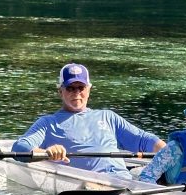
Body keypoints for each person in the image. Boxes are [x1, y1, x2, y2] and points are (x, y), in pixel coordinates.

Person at [11, 63, 165, 175]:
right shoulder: (48, 123)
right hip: (90, 186)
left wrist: (172, 151)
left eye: (81, 88)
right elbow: (19, 148)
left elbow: (144, 140)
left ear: (89, 90)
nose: (76, 93)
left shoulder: (108, 117)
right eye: (70, 88)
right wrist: (46, 152)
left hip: (124, 180)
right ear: (60, 91)